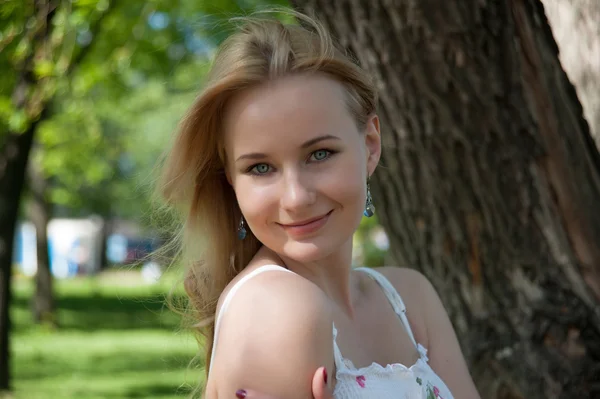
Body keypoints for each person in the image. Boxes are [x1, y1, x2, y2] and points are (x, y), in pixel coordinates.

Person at [158, 9, 481, 399]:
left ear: (370, 145)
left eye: (320, 154)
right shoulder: (277, 309)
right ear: (230, 178)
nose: (295, 198)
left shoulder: (411, 300)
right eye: (260, 167)